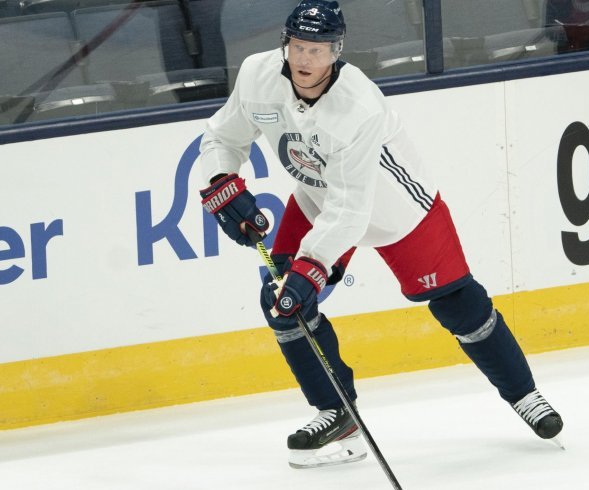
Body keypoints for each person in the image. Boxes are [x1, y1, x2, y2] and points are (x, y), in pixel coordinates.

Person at [197, 0, 563, 469]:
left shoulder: (359, 107)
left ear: (338, 51)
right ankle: (337, 413)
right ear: (284, 44)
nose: (306, 59)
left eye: (319, 49)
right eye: (298, 47)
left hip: (400, 212)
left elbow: (354, 209)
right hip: (320, 200)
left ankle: (524, 395)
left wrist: (313, 264)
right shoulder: (257, 75)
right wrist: (220, 182)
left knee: (459, 305)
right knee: (284, 303)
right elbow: (221, 137)